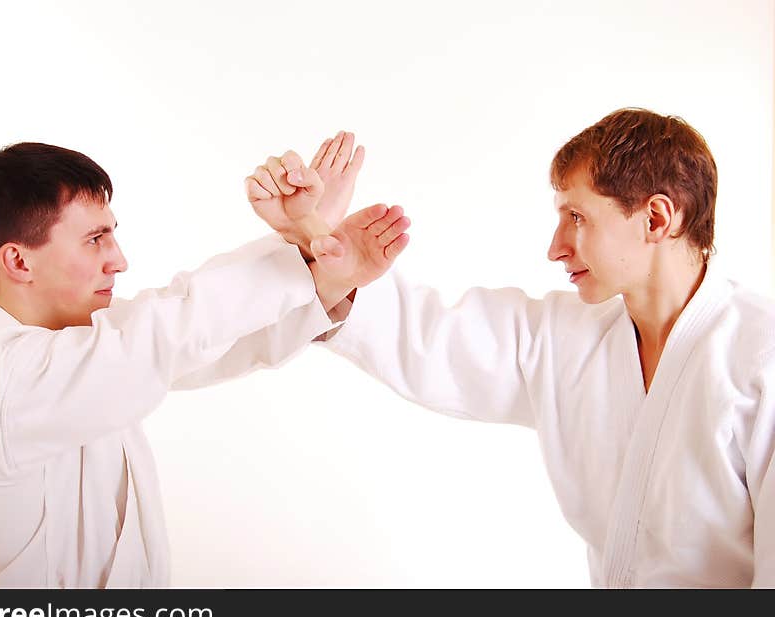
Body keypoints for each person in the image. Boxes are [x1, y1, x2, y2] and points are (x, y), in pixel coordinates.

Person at [257, 110, 775, 588]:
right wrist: (318, 242)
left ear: (656, 219)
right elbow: (432, 341)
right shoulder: (564, 339)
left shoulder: (759, 357)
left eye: (577, 216)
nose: (555, 247)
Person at [0, 139, 410, 588]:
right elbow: (172, 328)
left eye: (112, 235)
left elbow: (214, 343)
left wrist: (315, 248)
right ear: (18, 262)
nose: (119, 260)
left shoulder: (84, 343)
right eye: (94, 239)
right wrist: (304, 240)